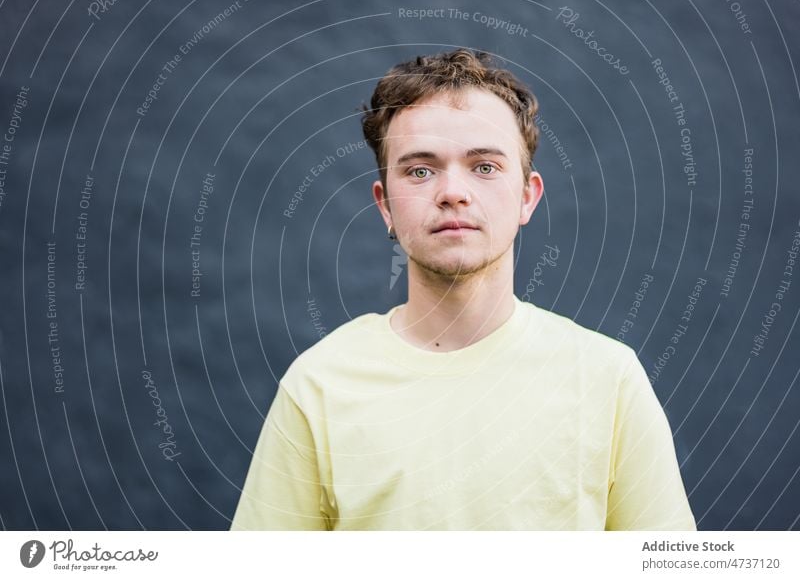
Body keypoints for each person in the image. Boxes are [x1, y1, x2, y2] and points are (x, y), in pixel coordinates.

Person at [230, 48, 696, 531]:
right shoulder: (319, 384)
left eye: (485, 167)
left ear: (527, 196)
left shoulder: (607, 379)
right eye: (420, 170)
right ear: (386, 205)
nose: (453, 191)